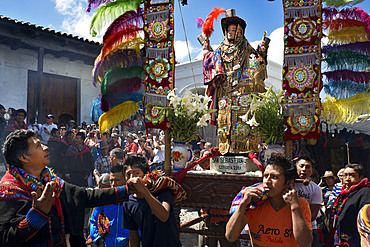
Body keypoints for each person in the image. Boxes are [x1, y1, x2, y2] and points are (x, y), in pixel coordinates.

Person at [0, 129, 131, 246]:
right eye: (38, 146)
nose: (46, 148)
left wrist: (128, 190)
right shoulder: (8, 192)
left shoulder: (51, 181)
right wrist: (38, 214)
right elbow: (5, 238)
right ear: (24, 157)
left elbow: (84, 196)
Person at [202, 8, 269, 155]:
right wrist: (207, 52)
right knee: (224, 122)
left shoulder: (245, 46)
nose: (230, 32)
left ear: (240, 31)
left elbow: (257, 61)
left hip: (242, 90)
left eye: (233, 29)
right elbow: (213, 62)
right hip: (225, 92)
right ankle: (227, 149)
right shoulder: (220, 49)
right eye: (228, 30)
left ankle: (244, 151)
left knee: (243, 121)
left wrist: (262, 52)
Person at [225, 155, 312, 246]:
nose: (267, 181)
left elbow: (306, 244)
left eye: (274, 177)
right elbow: (230, 236)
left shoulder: (300, 204)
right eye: (266, 176)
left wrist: (295, 207)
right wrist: (243, 204)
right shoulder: (254, 203)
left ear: (288, 183)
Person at [123, 154, 182, 247]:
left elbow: (164, 216)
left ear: (146, 174)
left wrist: (144, 191)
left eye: (136, 173)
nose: (131, 178)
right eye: (128, 174)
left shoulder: (161, 190)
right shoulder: (128, 202)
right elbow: (133, 236)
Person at [327, 164, 370, 247]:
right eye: (345, 175)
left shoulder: (365, 191)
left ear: (361, 177)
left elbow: (365, 215)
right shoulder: (344, 193)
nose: (347, 178)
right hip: (341, 237)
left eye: (352, 175)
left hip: (355, 238)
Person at [89, 165, 129, 247]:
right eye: (111, 181)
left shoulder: (133, 200)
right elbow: (93, 221)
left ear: (126, 179)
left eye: (117, 180)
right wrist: (99, 241)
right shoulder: (105, 200)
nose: (114, 184)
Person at [294, 155, 322, 247]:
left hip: (310, 228)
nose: (304, 169)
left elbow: (313, 215)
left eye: (307, 167)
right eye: (301, 166)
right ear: (295, 167)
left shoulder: (316, 189)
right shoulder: (287, 183)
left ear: (312, 171)